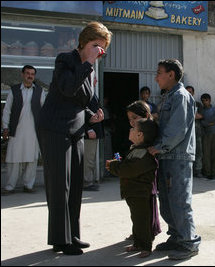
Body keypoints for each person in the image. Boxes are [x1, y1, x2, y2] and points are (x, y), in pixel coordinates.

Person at [38, 21, 112, 255]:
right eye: (96, 46)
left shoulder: (88, 70)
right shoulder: (65, 60)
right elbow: (67, 88)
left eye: (102, 49)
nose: (99, 52)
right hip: (54, 128)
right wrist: (88, 62)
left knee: (76, 185)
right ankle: (60, 239)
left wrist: (92, 115)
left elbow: (79, 102)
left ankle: (72, 235)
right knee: (60, 185)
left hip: (76, 130)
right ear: (84, 43)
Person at [148, 59, 201, 260]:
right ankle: (177, 237)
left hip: (177, 156)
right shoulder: (168, 97)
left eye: (159, 72)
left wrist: (159, 147)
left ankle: (189, 243)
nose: (156, 77)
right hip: (166, 155)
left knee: (179, 200)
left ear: (171, 74)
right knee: (168, 201)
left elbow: (177, 129)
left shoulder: (180, 96)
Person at [106, 118, 161, 258]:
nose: (130, 129)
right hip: (133, 192)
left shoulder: (144, 153)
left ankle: (146, 246)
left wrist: (113, 166)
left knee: (142, 220)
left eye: (133, 128)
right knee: (136, 219)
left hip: (140, 193)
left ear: (139, 135)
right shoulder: (136, 149)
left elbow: (129, 170)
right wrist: (118, 164)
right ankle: (138, 243)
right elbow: (128, 166)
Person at [1, 65, 47, 195]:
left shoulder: (39, 91)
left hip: (33, 132)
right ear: (22, 74)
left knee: (32, 160)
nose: (30, 76)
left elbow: (44, 111)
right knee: (14, 159)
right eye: (27, 73)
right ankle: (10, 187)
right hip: (17, 130)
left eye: (32, 74)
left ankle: (29, 185)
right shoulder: (14, 90)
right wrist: (5, 127)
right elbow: (7, 110)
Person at [124, 100, 153, 241]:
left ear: (146, 115)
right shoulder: (138, 137)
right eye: (130, 119)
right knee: (137, 212)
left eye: (135, 118)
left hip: (144, 184)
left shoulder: (149, 139)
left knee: (145, 210)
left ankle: (145, 237)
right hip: (136, 186)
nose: (132, 122)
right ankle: (139, 234)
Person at [83, 94, 105, 191]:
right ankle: (87, 182)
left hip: (95, 131)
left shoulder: (92, 94)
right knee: (88, 160)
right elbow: (81, 113)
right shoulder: (84, 94)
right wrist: (88, 129)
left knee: (90, 158)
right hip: (89, 132)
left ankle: (89, 181)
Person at [200, 93, 215, 178]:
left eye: (206, 100)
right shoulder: (202, 111)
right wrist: (210, 123)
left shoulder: (214, 109)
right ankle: (207, 172)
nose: (205, 102)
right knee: (206, 154)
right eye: (203, 101)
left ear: (210, 100)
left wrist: (206, 123)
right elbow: (202, 123)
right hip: (206, 134)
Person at [186, 85, 204, 177]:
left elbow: (200, 116)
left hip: (197, 132)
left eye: (190, 92)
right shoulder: (182, 103)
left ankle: (198, 171)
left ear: (193, 93)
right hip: (185, 134)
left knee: (199, 152)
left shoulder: (198, 104)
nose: (189, 93)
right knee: (187, 153)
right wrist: (193, 115)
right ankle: (189, 172)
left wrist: (189, 115)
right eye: (187, 91)